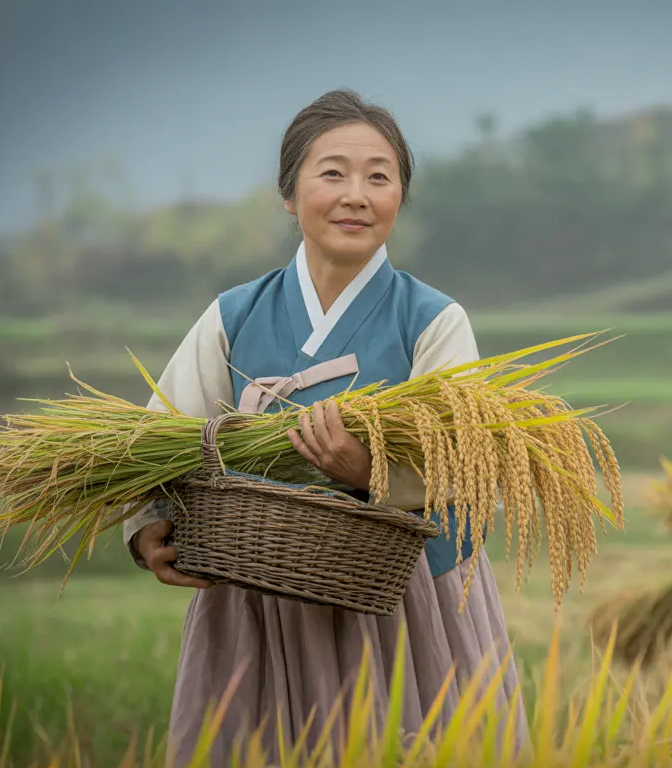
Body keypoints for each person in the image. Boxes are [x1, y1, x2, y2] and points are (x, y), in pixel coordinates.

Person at [120, 89, 527, 765]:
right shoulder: (233, 316)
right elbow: (156, 437)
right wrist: (146, 528)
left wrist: (369, 474)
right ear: (289, 194)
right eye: (332, 173)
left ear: (401, 195)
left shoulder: (432, 320)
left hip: (407, 599)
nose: (356, 195)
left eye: (379, 176)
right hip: (258, 601)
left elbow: (474, 471)